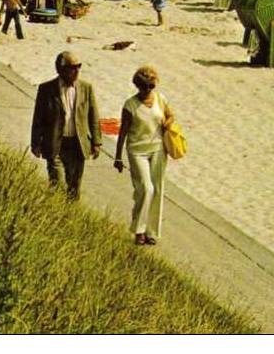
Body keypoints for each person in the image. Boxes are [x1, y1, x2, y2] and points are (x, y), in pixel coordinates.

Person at [31, 51, 102, 201]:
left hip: (77, 144)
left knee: (74, 188)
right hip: (56, 143)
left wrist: (96, 141)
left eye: (78, 66)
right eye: (72, 67)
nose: (77, 71)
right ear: (60, 69)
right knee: (58, 184)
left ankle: (70, 218)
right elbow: (38, 118)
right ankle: (56, 214)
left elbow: (93, 115)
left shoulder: (86, 88)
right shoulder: (46, 89)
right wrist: (35, 143)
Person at [114, 65, 173, 245]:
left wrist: (167, 123)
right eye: (145, 86)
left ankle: (151, 231)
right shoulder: (130, 105)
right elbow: (122, 132)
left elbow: (171, 116)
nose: (148, 90)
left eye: (152, 86)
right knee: (146, 189)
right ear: (138, 86)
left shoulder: (160, 99)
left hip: (157, 149)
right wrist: (117, 157)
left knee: (157, 189)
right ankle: (138, 230)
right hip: (137, 151)